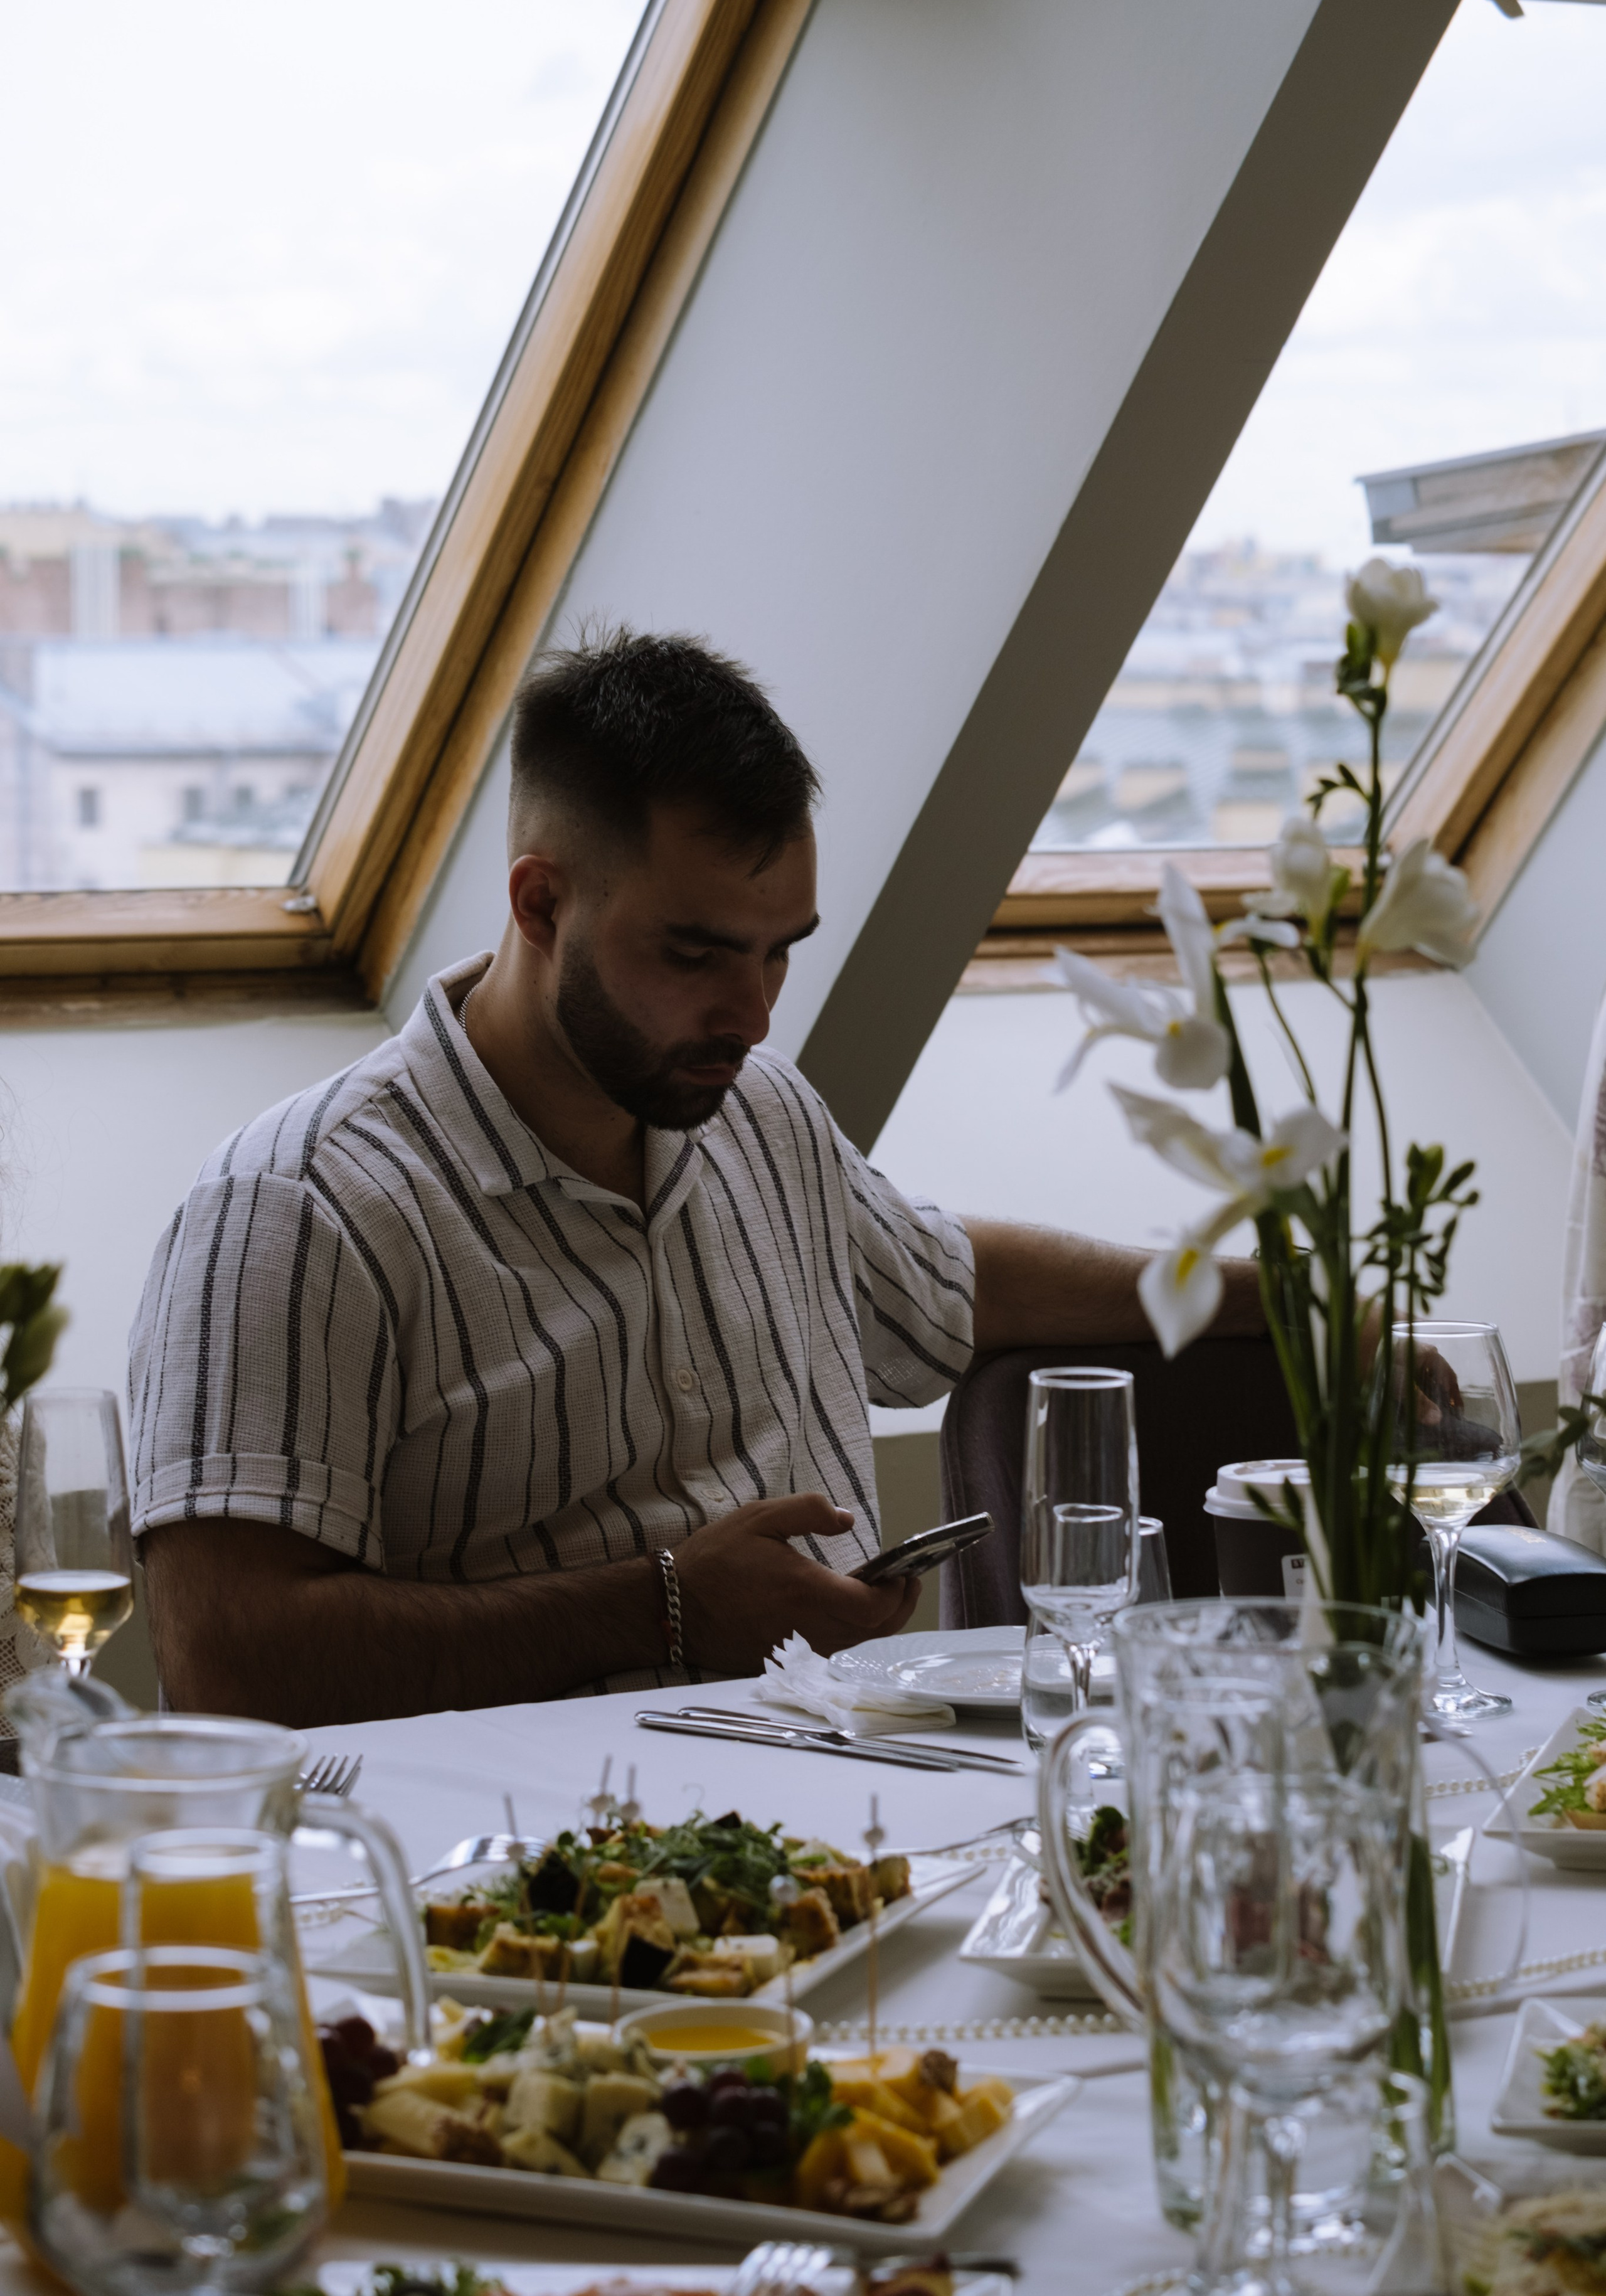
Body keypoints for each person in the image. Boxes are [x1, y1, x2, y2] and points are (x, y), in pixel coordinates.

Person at [130, 630, 1263, 1725]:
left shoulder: (761, 1115)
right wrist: (659, 1611)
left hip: (869, 1816)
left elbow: (963, 1283)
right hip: (526, 1877)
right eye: (695, 954)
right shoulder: (301, 1210)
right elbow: (224, 1665)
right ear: (541, 905)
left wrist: (1307, 1314)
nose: (756, 1011)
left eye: (782, 949)